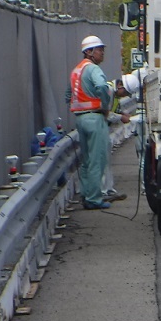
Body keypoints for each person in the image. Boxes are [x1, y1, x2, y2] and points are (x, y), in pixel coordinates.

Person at [67, 35, 113, 210]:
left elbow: (68, 93)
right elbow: (102, 86)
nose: (102, 53)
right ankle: (94, 198)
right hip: (95, 118)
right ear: (89, 52)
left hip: (81, 119)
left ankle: (86, 195)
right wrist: (104, 104)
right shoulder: (93, 69)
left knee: (86, 160)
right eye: (99, 50)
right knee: (97, 159)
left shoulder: (76, 71)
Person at [101, 75, 135, 202]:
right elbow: (105, 113)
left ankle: (109, 189)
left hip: (104, 127)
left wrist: (121, 115)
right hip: (100, 125)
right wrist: (120, 118)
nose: (124, 95)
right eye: (125, 92)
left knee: (107, 160)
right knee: (102, 160)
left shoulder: (113, 94)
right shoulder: (108, 91)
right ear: (120, 86)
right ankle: (103, 191)